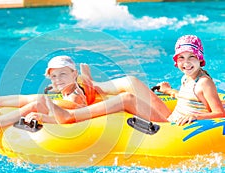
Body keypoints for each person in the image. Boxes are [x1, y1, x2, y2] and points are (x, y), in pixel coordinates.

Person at [26, 35, 225, 126]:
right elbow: (189, 98)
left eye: (191, 58)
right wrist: (168, 91)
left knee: (126, 99)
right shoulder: (187, 78)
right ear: (176, 61)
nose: (186, 63)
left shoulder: (204, 83)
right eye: (181, 58)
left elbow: (220, 113)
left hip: (173, 125)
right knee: (131, 80)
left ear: (200, 59)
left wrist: (196, 117)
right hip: (172, 114)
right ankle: (91, 88)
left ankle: (69, 116)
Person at [0, 55, 88, 135]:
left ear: (74, 74)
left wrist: (43, 117)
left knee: (37, 103)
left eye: (63, 74)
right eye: (54, 76)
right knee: (35, 97)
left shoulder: (75, 97)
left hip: (63, 113)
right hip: (63, 103)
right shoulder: (68, 89)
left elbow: (75, 118)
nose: (58, 79)